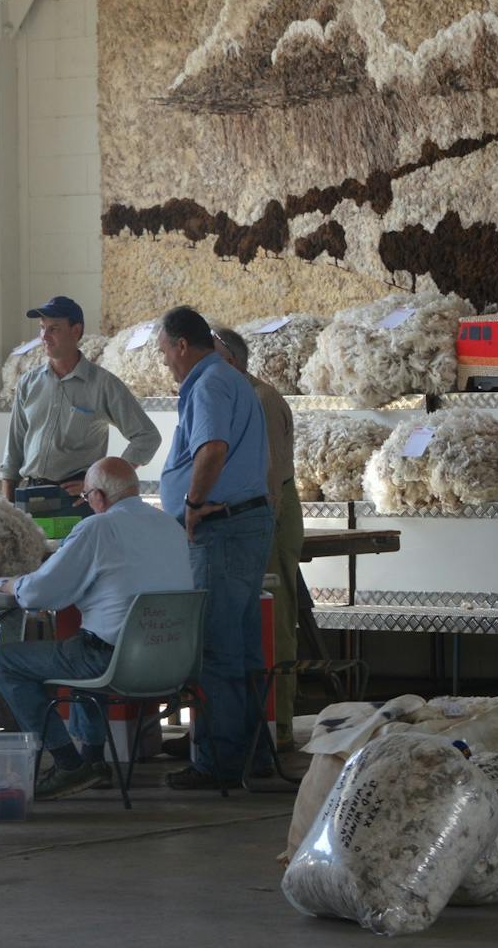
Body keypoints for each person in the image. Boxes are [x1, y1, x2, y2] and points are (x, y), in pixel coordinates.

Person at [0, 457, 192, 800]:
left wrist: (12, 585)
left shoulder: (98, 528)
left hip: (114, 661)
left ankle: (68, 763)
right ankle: (93, 762)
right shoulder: (170, 526)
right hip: (173, 661)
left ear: (97, 496)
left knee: (6, 661)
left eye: (83, 497)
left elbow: (43, 591)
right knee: (84, 645)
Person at [156, 306, 275, 790]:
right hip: (244, 522)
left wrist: (191, 503)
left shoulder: (207, 384)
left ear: (182, 345)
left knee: (217, 650)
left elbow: (212, 449)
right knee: (242, 647)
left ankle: (219, 763)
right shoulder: (230, 378)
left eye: (165, 351)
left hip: (220, 528)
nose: (165, 362)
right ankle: (253, 754)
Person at [213, 326, 304, 754]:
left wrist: (260, 527)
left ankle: (277, 724)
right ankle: (231, 725)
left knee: (275, 618)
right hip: (243, 519)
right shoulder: (226, 395)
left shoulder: (261, 399)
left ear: (229, 358)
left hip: (268, 515)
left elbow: (270, 476)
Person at [0, 296, 161, 508]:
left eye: (53, 329)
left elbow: (147, 437)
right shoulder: (28, 383)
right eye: (42, 328)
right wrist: (7, 505)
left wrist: (105, 480)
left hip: (78, 500)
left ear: (76, 331)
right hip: (32, 496)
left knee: (75, 543)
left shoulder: (103, 385)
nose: (44, 337)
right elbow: (14, 447)